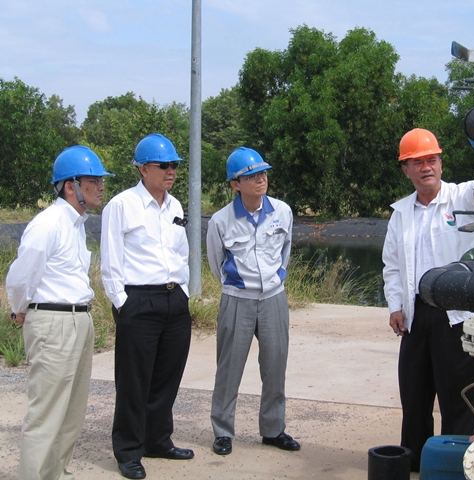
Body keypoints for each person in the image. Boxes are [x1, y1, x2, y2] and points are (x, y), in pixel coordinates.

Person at [382, 128, 474, 472]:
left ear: (440, 163)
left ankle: (455, 466)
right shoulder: (401, 213)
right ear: (406, 169)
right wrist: (395, 306)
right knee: (414, 394)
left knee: (459, 398)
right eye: (418, 162)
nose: (426, 167)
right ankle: (416, 462)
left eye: (432, 159)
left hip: (458, 316)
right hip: (417, 314)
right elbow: (392, 265)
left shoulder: (463, 198)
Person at [6, 145, 113, 480]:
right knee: (46, 414)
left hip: (78, 319)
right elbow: (21, 276)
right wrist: (19, 310)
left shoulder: (76, 224)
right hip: (53, 321)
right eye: (94, 181)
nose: (101, 187)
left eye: (101, 181)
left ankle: (56, 473)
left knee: (71, 413)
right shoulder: (49, 223)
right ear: (71, 186)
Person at [100, 133, 193, 480]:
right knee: (133, 381)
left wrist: (183, 292)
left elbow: (181, 252)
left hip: (173, 299)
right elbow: (111, 259)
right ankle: (128, 451)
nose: (171, 171)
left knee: (167, 377)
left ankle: (157, 440)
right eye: (163, 165)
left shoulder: (175, 206)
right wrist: (122, 302)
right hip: (138, 300)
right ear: (142, 169)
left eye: (175, 165)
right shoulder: (122, 205)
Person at [206, 147, 300, 456]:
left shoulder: (282, 212)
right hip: (238, 300)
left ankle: (273, 429)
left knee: (275, 365)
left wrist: (277, 277)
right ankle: (223, 431)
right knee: (229, 368)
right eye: (251, 176)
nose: (260, 179)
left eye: (263, 173)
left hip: (273, 298)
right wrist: (237, 285)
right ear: (235, 184)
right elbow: (216, 262)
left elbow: (285, 250)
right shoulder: (220, 221)